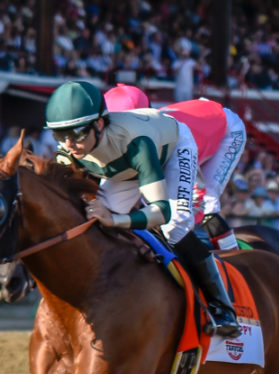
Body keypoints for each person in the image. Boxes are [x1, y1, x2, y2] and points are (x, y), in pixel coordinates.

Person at [45, 80, 239, 337]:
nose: (68, 144)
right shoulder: (72, 147)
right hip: (125, 160)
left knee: (175, 226)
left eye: (77, 133)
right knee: (95, 220)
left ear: (99, 124)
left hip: (172, 149)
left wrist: (116, 220)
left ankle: (222, 307)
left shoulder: (138, 143)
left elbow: (160, 212)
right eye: (60, 135)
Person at [102, 85, 248, 250]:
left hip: (228, 129)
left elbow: (195, 187)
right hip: (201, 119)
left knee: (207, 202)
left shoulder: (177, 136)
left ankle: (230, 255)